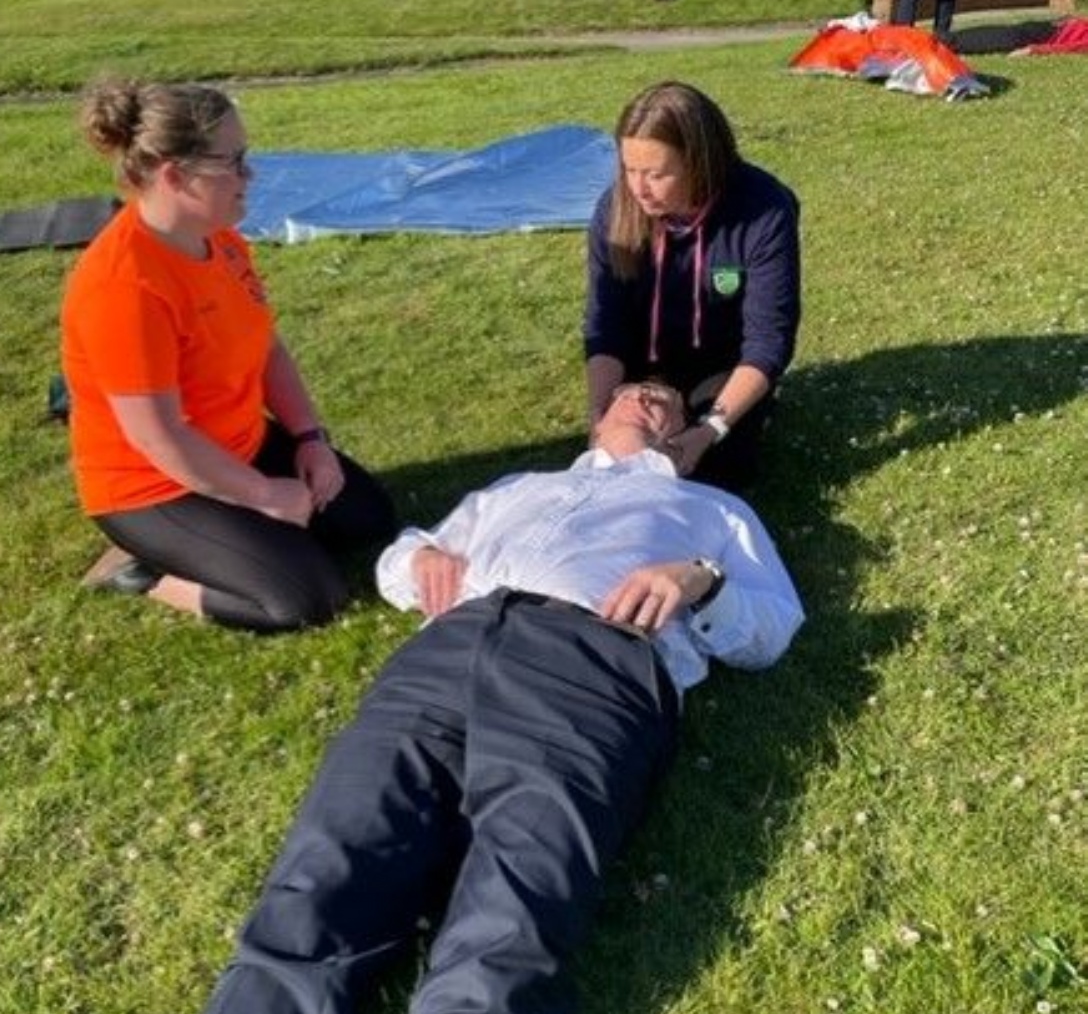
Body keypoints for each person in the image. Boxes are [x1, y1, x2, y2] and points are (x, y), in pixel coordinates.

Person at [201, 381, 804, 1014]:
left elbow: (772, 629)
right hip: (445, 654)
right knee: (328, 862)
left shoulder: (711, 509)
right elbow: (401, 557)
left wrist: (700, 581)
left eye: (664, 399)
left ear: (680, 432)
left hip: (591, 662)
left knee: (516, 900)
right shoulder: (515, 488)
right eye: (631, 391)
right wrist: (419, 560)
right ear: (599, 419)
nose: (646, 398)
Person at [61, 79, 396, 632]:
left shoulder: (218, 238)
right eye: (234, 161)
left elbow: (264, 345)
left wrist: (311, 439)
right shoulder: (124, 286)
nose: (250, 175)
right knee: (307, 598)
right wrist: (263, 495)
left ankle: (239, 530)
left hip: (238, 445)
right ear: (174, 175)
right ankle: (145, 572)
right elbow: (158, 437)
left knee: (369, 519)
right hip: (152, 485)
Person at [584, 81, 801, 492]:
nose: (639, 189)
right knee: (617, 456)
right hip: (640, 361)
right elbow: (605, 327)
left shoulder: (764, 210)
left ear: (700, 163)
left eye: (657, 174)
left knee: (709, 473)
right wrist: (599, 414)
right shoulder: (614, 210)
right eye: (629, 169)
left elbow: (768, 341)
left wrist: (710, 429)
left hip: (721, 366)